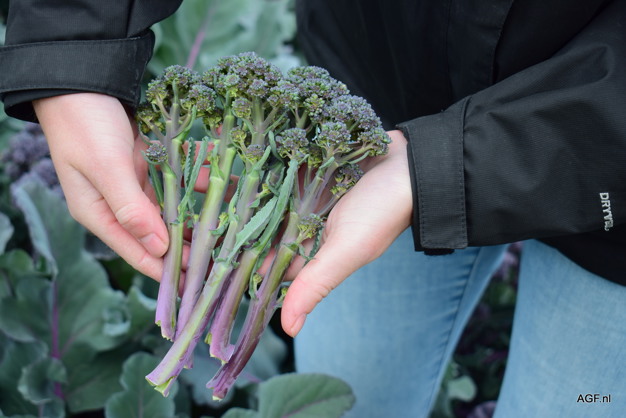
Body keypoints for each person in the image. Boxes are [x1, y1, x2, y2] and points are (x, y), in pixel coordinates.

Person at [1, 1, 625, 417]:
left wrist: (440, 170)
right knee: (352, 393)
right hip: (383, 97)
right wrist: (72, 38)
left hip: (610, 180)